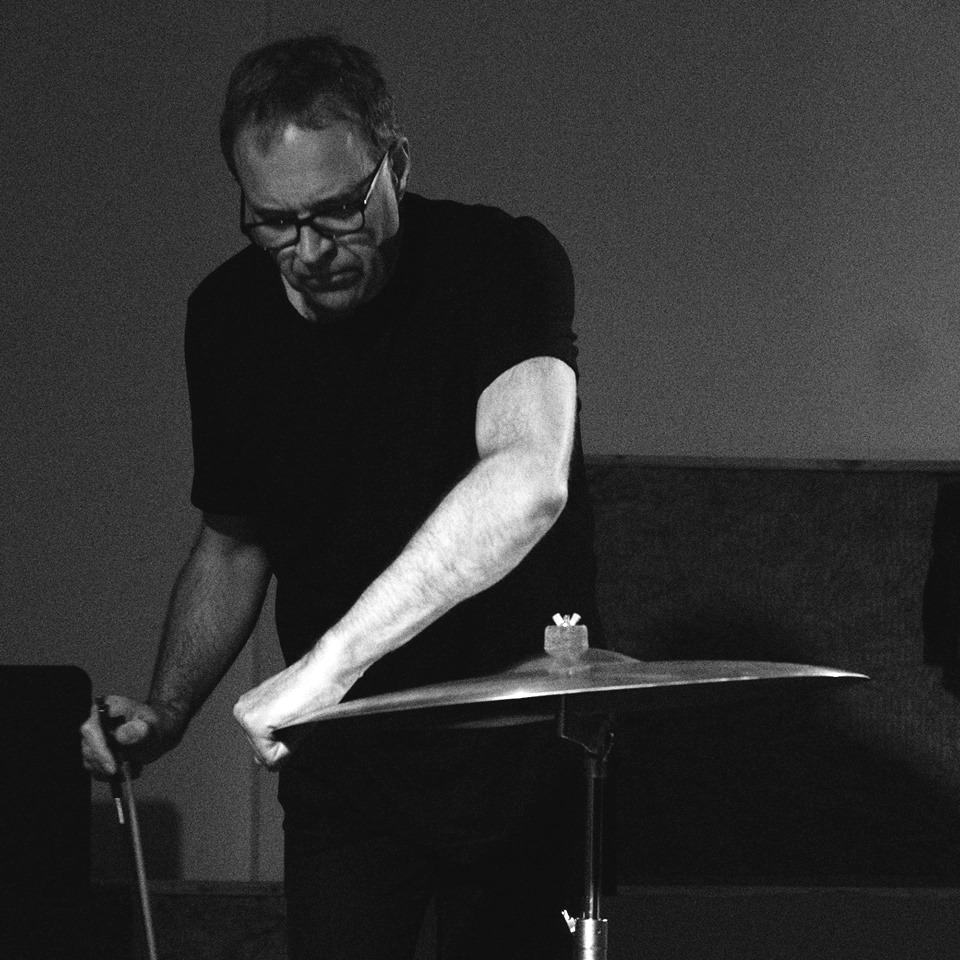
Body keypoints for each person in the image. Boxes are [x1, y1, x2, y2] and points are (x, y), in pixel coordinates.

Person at [81, 32, 603, 959]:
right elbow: (234, 541)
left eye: (336, 212)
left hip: (516, 754)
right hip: (345, 768)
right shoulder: (226, 315)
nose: (310, 250)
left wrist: (326, 666)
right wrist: (168, 710)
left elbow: (527, 479)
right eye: (274, 222)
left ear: (394, 163)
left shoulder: (500, 260)